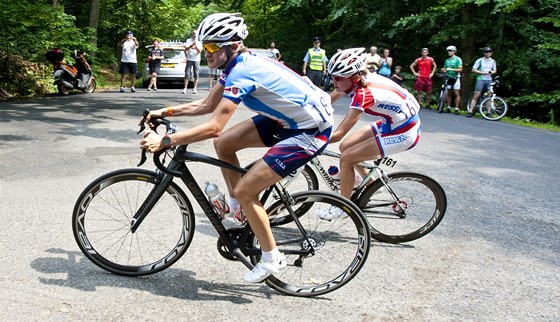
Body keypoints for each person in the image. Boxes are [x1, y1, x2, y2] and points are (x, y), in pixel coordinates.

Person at [140, 13, 334, 283]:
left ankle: (271, 257)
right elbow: (206, 106)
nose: (204, 52)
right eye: (203, 46)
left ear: (231, 46)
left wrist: (166, 141)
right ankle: (238, 206)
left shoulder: (243, 71)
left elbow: (213, 125)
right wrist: (164, 111)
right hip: (289, 120)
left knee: (245, 188)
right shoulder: (235, 65)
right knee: (225, 144)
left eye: (210, 47)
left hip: (311, 131)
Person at [322, 48, 420, 218]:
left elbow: (339, 134)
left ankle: (344, 207)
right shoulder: (361, 78)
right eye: (332, 76)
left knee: (347, 158)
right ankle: (372, 183)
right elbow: (333, 95)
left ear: (353, 77)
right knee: (346, 147)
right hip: (393, 122)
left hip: (404, 132)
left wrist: (309, 138)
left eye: (337, 78)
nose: (333, 81)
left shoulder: (364, 94)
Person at [467, 47, 497, 117]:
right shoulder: (480, 60)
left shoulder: (493, 61)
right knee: (476, 95)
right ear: (484, 53)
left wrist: (490, 72)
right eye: (486, 52)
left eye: (490, 52)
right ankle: (470, 111)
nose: (488, 53)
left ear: (491, 53)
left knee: (489, 95)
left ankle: (488, 112)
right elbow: (473, 70)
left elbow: (495, 70)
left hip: (489, 79)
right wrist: (482, 72)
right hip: (480, 79)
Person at [441, 45, 463, 114]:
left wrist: (451, 69)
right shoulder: (447, 60)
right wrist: (443, 70)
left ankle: (456, 108)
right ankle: (448, 107)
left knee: (456, 93)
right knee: (449, 92)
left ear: (454, 51)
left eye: (450, 51)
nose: (449, 52)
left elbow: (460, 69)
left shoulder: (458, 59)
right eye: (448, 51)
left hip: (456, 77)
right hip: (448, 77)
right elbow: (444, 68)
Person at [182, 30, 203, 94]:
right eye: (193, 33)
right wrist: (191, 45)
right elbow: (185, 49)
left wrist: (196, 45)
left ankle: (194, 89)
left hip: (196, 59)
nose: (194, 35)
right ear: (192, 34)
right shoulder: (188, 40)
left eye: (196, 34)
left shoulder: (199, 41)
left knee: (196, 74)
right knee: (187, 73)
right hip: (189, 59)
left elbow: (200, 51)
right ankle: (185, 88)